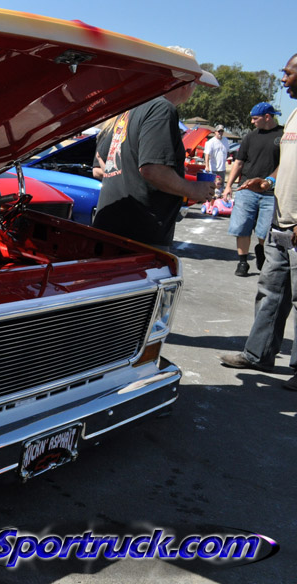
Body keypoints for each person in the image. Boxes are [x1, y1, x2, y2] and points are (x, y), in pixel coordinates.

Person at [219, 53, 297, 390]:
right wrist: (269, 182)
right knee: (270, 292)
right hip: (282, 220)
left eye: (288, 73)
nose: (283, 79)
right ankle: (258, 354)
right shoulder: (293, 115)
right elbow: (288, 163)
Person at [93, 49, 216, 250]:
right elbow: (153, 170)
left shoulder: (127, 110)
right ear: (185, 81)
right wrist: (194, 189)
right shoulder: (161, 108)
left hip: (111, 227)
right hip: (140, 235)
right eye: (194, 80)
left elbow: (104, 166)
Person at [222, 102, 284, 277]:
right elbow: (239, 163)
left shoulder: (283, 135)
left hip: (271, 193)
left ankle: (262, 251)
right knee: (242, 226)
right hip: (246, 189)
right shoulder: (250, 137)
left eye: (255, 118)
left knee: (266, 231)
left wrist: (270, 181)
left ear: (267, 117)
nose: (252, 122)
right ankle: (242, 262)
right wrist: (228, 186)